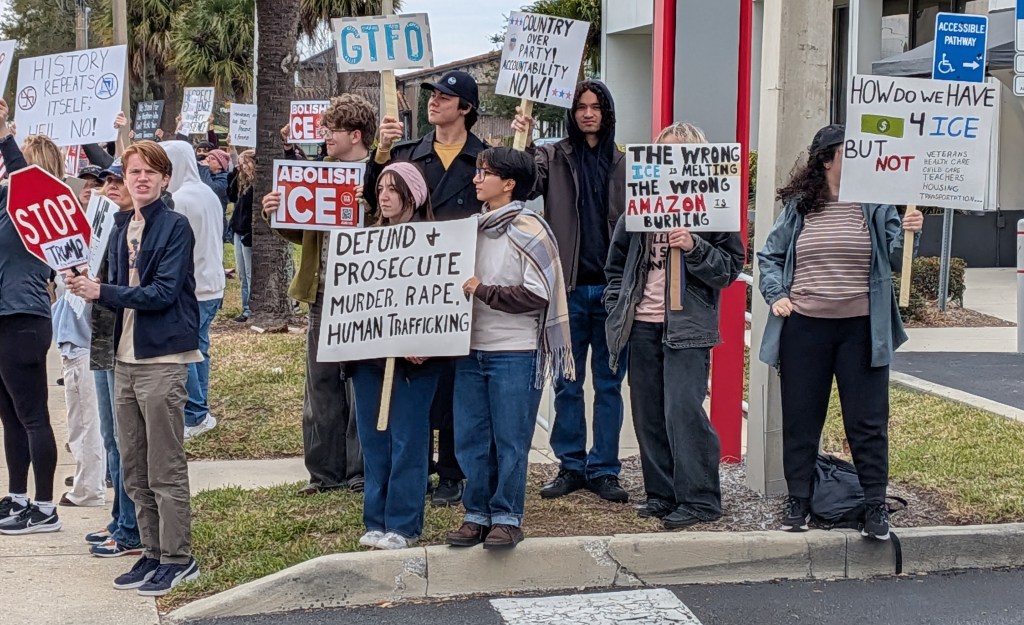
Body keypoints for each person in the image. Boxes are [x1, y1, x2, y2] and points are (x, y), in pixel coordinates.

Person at [756, 124, 923, 541]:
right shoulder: (799, 207)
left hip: (861, 329)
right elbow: (770, 256)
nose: (859, 159)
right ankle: (798, 500)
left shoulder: (876, 205)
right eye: (850, 151)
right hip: (805, 327)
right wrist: (777, 295)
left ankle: (874, 505)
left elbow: (895, 258)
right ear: (827, 160)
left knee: (868, 421)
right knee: (801, 418)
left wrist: (909, 231)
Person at [68, 140, 201, 595]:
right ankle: (151, 551)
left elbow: (162, 292)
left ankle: (178, 558)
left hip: (161, 358)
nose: (140, 179)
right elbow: (108, 285)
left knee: (164, 466)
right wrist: (85, 282)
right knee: (132, 465)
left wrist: (101, 291)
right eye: (133, 172)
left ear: (165, 179)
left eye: (149, 172)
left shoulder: (175, 226)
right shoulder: (120, 224)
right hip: (120, 358)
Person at [604, 122, 745, 529]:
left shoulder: (714, 209)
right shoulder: (639, 206)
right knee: (648, 413)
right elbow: (616, 265)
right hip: (642, 325)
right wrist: (617, 306)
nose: (672, 162)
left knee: (683, 410)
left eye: (681, 153)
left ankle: (700, 499)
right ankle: (661, 494)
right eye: (665, 153)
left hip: (688, 327)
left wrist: (694, 246)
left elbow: (729, 269)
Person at [368, 69, 489, 506]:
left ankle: (452, 471)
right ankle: (416, 467)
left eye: (443, 97)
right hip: (410, 277)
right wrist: (381, 153)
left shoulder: (484, 159)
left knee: (455, 381)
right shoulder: (406, 153)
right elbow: (375, 198)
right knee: (412, 378)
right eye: (431, 95)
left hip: (460, 280)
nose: (433, 102)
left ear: (466, 108)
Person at [446, 147, 574, 550]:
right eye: (477, 171)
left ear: (509, 184)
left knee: (510, 438)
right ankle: (476, 513)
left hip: (515, 351)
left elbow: (538, 294)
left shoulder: (530, 230)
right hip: (470, 349)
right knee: (471, 437)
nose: (476, 179)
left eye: (485, 173)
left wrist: (483, 291)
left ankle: (506, 516)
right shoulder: (469, 230)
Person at [512, 80, 628, 503]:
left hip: (613, 293)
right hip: (568, 290)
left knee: (610, 385)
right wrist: (523, 143)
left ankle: (605, 469)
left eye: (596, 107)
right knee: (567, 381)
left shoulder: (624, 163)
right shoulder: (552, 156)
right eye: (580, 107)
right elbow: (523, 185)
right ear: (572, 113)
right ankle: (571, 465)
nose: (588, 113)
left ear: (607, 113)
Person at [262, 93, 373, 496]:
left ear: (356, 135)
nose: (325, 136)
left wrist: (370, 206)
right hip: (323, 292)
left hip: (363, 294)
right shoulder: (317, 173)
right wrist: (276, 212)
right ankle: (324, 473)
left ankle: (361, 470)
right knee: (321, 383)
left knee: (361, 386)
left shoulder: (378, 175)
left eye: (333, 130)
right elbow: (302, 232)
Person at [352, 162, 440, 551]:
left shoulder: (435, 242)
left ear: (413, 196)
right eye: (381, 189)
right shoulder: (366, 240)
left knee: (407, 441)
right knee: (374, 441)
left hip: (414, 364)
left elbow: (441, 301)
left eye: (393, 189)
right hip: (368, 360)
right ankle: (375, 520)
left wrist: (424, 343)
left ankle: (403, 525)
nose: (384, 196)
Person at [0, 101, 63, 535]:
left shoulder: (38, 203)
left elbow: (23, 176)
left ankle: (44, 506)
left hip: (23, 317)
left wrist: (5, 134)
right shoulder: (7, 202)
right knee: (11, 416)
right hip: (5, 315)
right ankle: (18, 495)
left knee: (33, 415)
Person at [86, 160, 144, 557]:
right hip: (103, 337)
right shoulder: (110, 223)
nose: (111, 185)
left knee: (125, 442)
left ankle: (130, 529)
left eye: (118, 179)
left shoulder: (141, 226)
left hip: (125, 340)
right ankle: (119, 518)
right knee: (110, 439)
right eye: (107, 180)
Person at [162, 140, 226, 440]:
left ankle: (196, 413)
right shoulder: (207, 192)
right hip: (212, 283)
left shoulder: (179, 199)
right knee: (199, 348)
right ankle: (200, 409)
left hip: (193, 287)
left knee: (185, 352)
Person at [52, 277, 106, 509]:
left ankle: (87, 489)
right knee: (92, 422)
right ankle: (91, 481)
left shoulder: (84, 269)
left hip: (82, 349)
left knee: (85, 423)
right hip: (85, 347)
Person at [228, 149, 254, 322]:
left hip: (247, 232)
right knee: (243, 274)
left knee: (251, 273)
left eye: (246, 163)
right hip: (238, 229)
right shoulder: (243, 183)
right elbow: (231, 195)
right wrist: (235, 172)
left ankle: (251, 308)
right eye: (241, 163)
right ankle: (245, 308)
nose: (243, 166)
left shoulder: (257, 185)